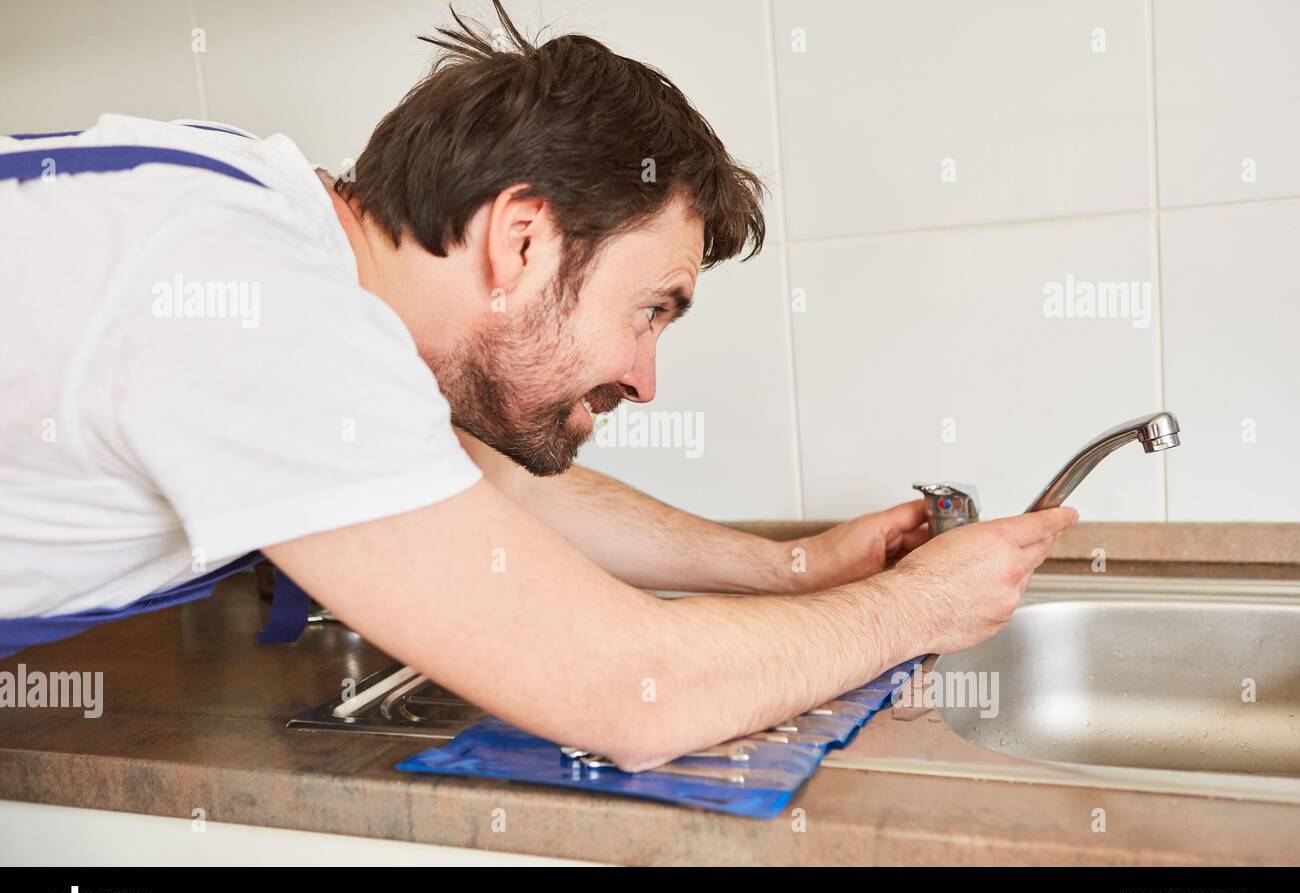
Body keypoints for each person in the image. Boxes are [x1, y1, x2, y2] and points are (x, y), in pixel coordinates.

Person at [0, 2, 1074, 769]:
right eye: (651, 306)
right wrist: (917, 604)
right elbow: (633, 692)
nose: (646, 377)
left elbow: (484, 490)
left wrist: (790, 569)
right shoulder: (260, 303)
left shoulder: (266, 223)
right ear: (522, 237)